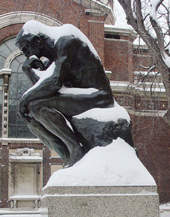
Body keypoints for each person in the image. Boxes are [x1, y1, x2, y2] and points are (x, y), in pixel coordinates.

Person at [15, 21, 118, 167]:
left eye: (25, 48)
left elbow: (55, 82)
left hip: (98, 96)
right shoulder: (54, 54)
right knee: (29, 114)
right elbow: (45, 89)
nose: (25, 54)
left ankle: (76, 150)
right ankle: (68, 157)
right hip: (78, 96)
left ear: (37, 40)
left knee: (36, 107)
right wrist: (29, 71)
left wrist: (24, 99)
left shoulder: (66, 40)